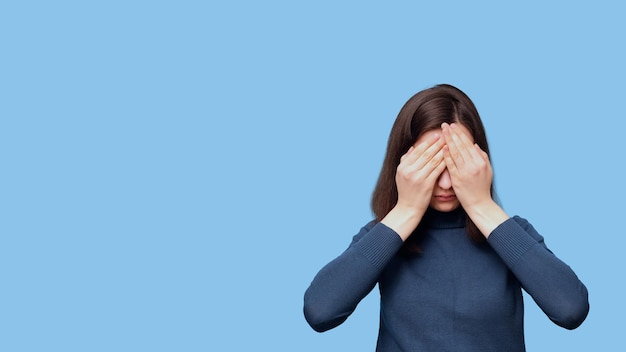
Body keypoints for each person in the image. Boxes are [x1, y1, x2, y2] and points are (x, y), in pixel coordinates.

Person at [303, 84, 589, 351]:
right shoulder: (383, 236)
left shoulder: (511, 233)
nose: (445, 184)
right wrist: (406, 210)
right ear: (403, 166)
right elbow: (320, 312)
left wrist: (480, 204)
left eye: (456, 164)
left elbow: (570, 309)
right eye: (430, 166)